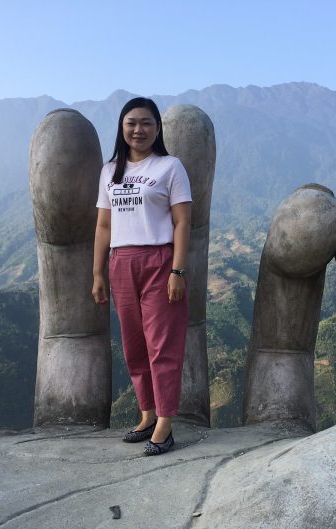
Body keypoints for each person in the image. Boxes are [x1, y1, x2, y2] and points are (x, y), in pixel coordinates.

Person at [92, 97, 192, 456]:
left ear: (157, 128)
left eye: (146, 123)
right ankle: (147, 413)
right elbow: (104, 225)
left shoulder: (170, 167)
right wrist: (98, 273)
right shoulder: (110, 171)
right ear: (122, 127)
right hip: (121, 262)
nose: (139, 129)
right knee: (134, 345)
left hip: (159, 260)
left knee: (161, 345)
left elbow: (183, 221)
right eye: (131, 123)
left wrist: (177, 270)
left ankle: (165, 423)